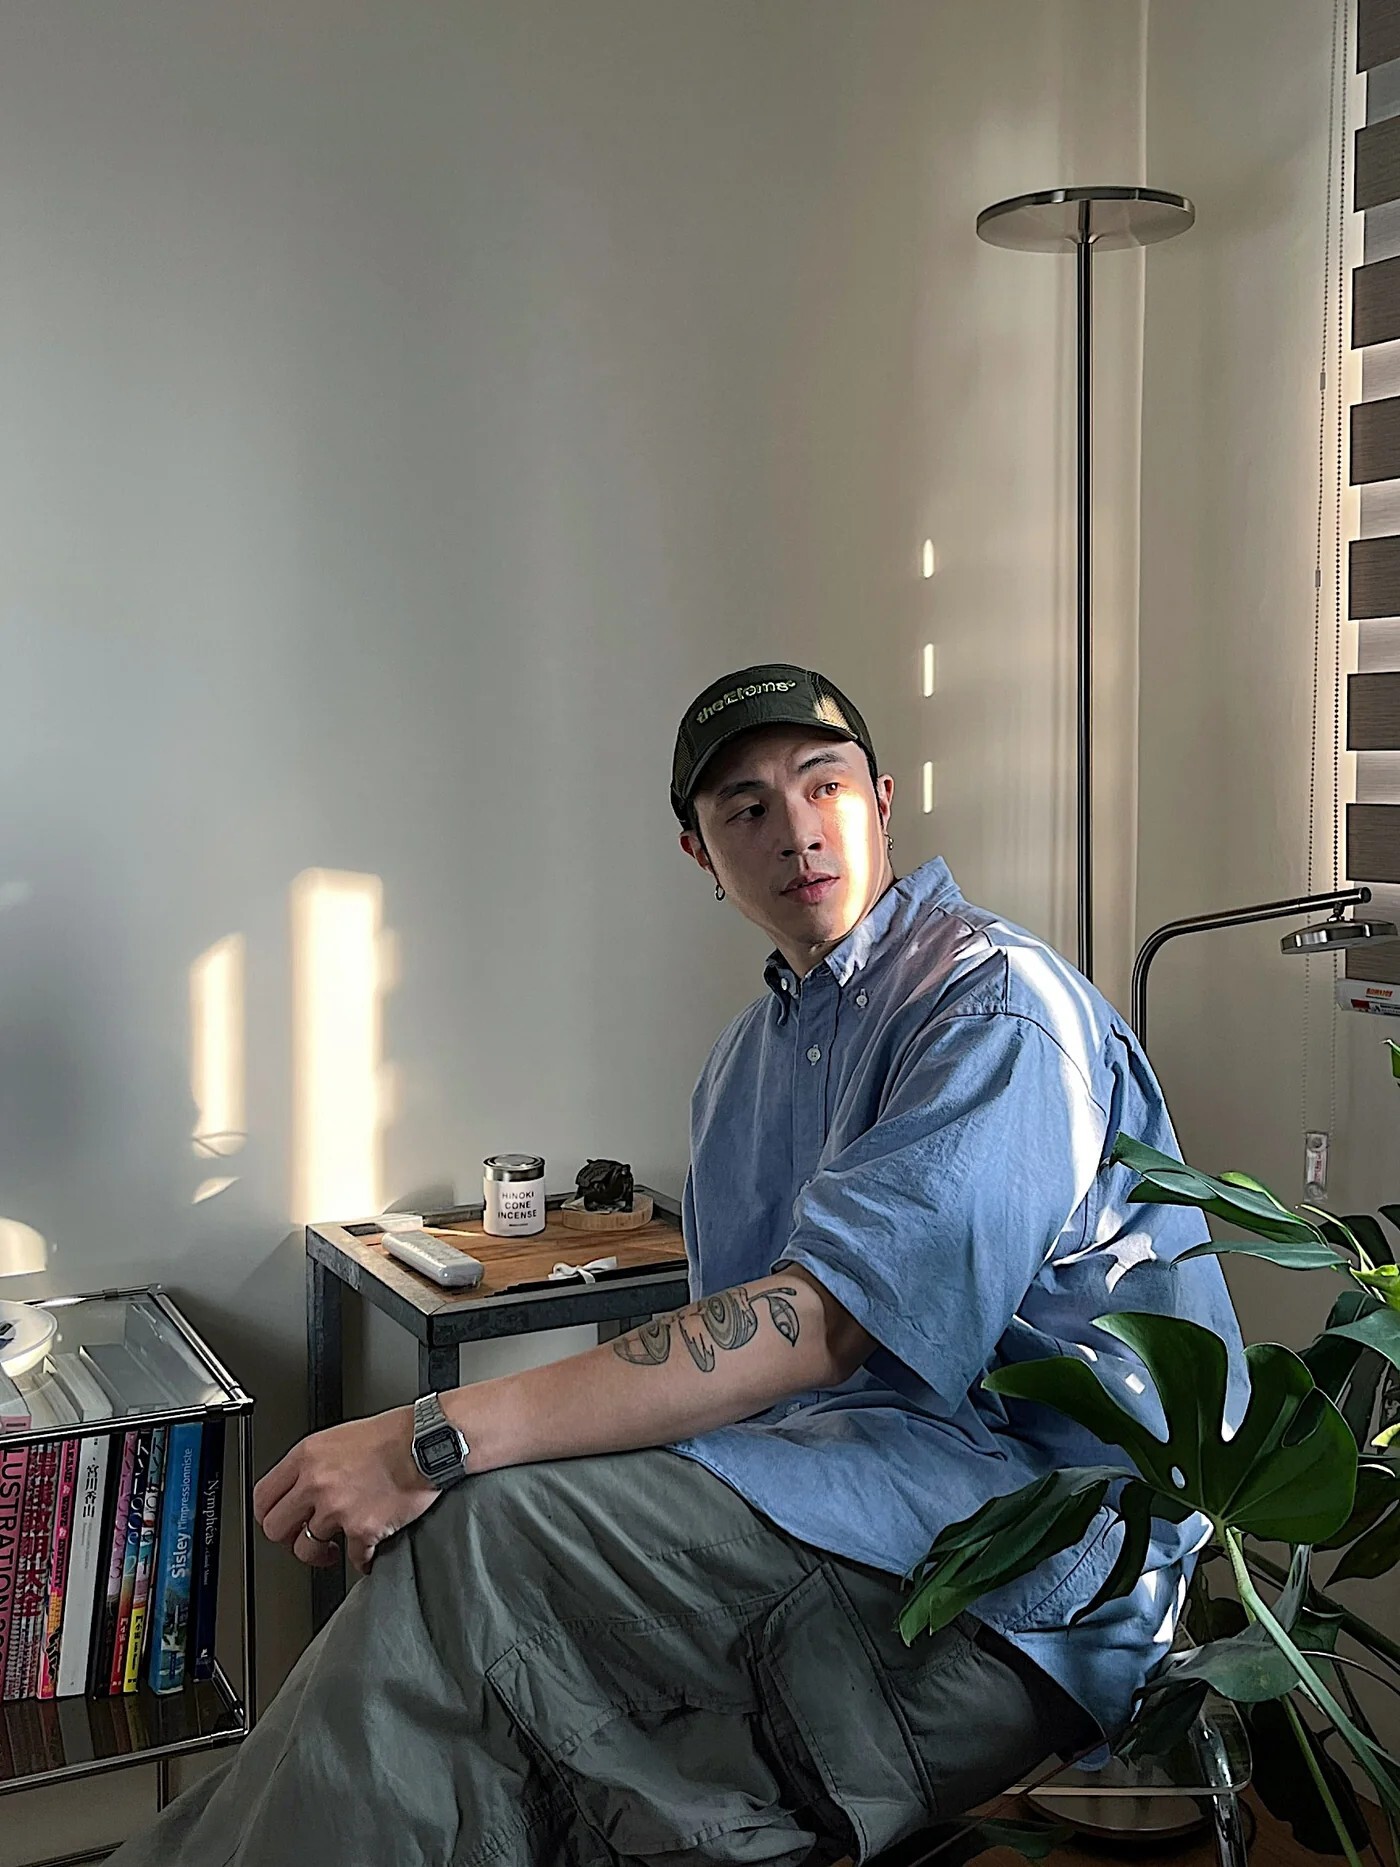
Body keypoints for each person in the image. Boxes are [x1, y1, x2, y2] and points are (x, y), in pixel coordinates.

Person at [109, 662, 1242, 1867]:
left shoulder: (996, 1008)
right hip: (827, 1515)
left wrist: (427, 1436)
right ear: (700, 853)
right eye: (746, 807)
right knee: (473, 1649)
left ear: (881, 800)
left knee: (480, 1547)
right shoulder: (743, 1071)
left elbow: (815, 1328)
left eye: (822, 784)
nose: (795, 829)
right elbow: (735, 1386)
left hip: (1020, 1577)